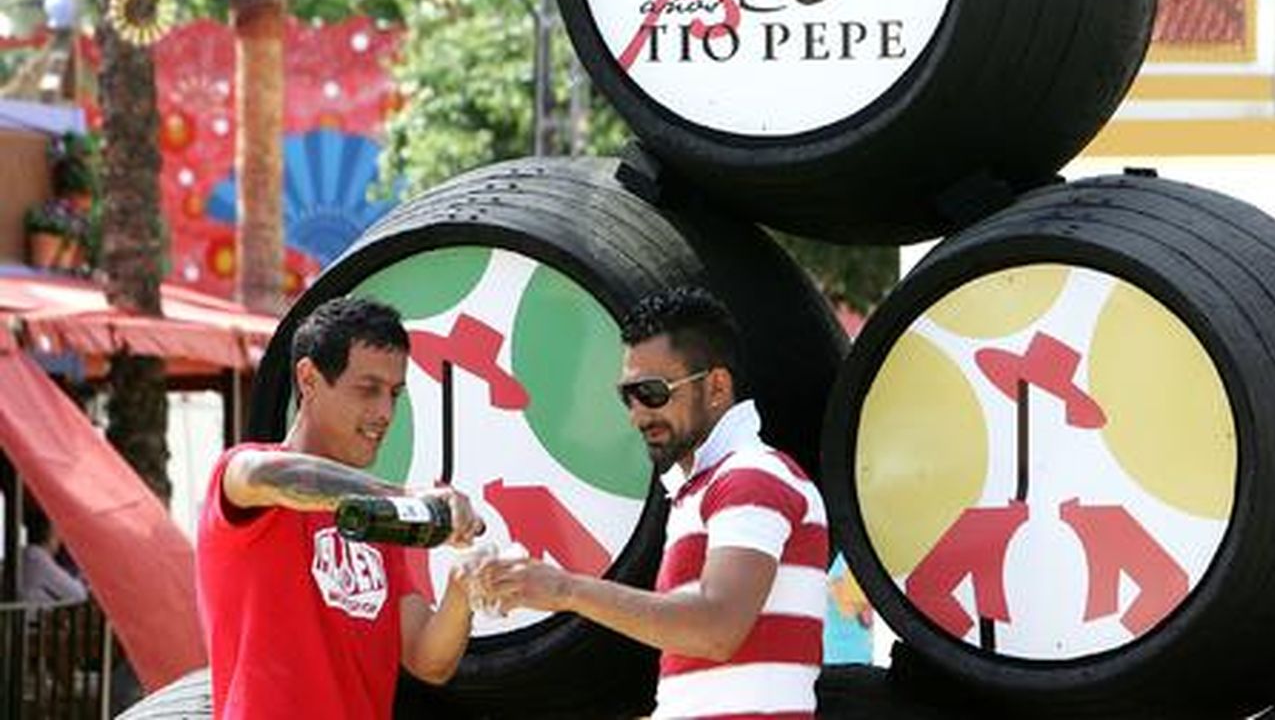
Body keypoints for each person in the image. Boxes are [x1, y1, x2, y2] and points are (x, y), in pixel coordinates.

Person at [479, 286, 827, 718]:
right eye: (627, 395)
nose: (638, 414)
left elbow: (718, 629)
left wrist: (566, 589)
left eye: (653, 392)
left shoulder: (750, 477)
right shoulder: (701, 489)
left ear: (717, 386)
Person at [195, 296, 485, 720]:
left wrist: (465, 587)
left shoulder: (377, 518)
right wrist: (404, 496)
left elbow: (429, 659)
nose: (385, 412)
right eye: (368, 390)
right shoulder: (244, 476)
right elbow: (268, 476)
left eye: (395, 393)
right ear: (309, 379)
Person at [19, 501, 86, 605]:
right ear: (49, 532)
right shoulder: (36, 557)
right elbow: (78, 594)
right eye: (57, 529)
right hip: (33, 620)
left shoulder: (28, 553)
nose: (61, 537)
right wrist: (81, 577)